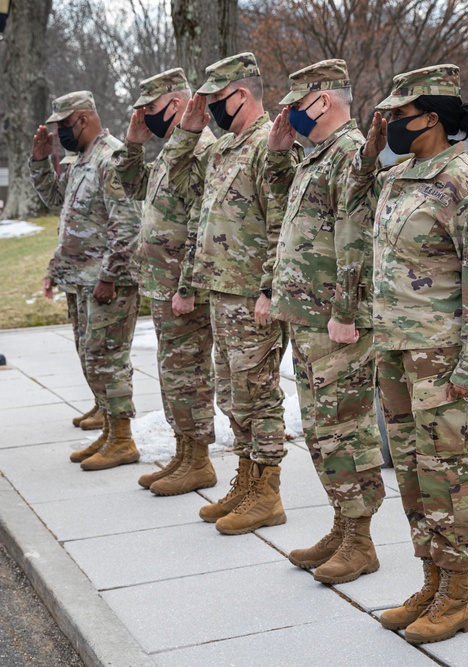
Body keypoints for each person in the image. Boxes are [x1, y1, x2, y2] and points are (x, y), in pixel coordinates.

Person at [346, 64, 468, 643]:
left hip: (443, 358)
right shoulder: (398, 177)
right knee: (415, 474)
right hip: (395, 350)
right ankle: (432, 580)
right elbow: (347, 205)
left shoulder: (467, 184)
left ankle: (459, 596)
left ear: (433, 118)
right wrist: (370, 152)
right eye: (387, 115)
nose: (389, 122)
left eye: (398, 115)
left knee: (447, 474)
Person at [169, 53, 302, 535]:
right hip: (220, 294)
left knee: (258, 395)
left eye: (215, 100)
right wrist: (187, 130)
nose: (208, 110)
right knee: (231, 394)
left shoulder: (270, 147)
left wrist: (269, 290)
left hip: (251, 298)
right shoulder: (224, 148)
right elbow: (175, 179)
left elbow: (280, 226)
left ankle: (268, 491)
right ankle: (246, 480)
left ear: (240, 95)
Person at [265, 59, 385, 584]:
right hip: (308, 317)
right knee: (319, 428)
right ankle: (343, 524)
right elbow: (291, 231)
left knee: (345, 427)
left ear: (323, 101)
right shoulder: (315, 157)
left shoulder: (353, 157)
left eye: (295, 104)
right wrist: (272, 289)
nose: (287, 115)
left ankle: (361, 540)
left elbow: (356, 238)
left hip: (337, 322)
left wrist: (345, 312)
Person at [112, 68, 219, 496]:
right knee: (173, 371)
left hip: (182, 286)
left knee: (189, 373)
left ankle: (200, 460)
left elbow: (201, 223)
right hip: (161, 282)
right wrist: (134, 144)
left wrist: (188, 285)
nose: (144, 116)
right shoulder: (173, 150)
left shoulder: (199, 152)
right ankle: (183, 452)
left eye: (150, 109)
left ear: (176, 105)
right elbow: (134, 185)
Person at [30, 90, 143, 470]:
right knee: (91, 357)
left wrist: (110, 276)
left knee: (107, 359)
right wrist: (40, 162)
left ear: (82, 118)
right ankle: (111, 433)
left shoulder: (111, 159)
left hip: (106, 281)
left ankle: (124, 439)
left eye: (62, 125)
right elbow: (61, 208)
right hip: (81, 278)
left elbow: (127, 224)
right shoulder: (81, 160)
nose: (59, 131)